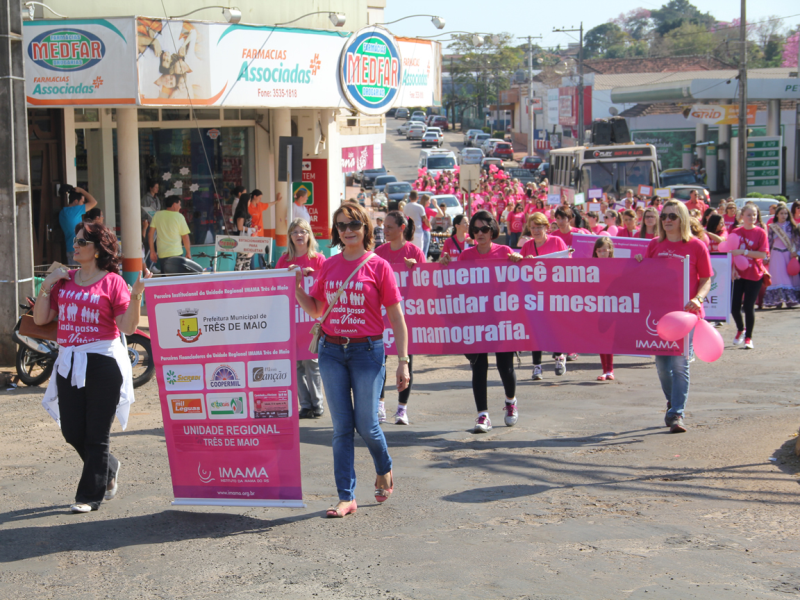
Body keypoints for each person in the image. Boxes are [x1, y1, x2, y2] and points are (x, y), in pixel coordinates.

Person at [294, 203, 409, 518]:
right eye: (342, 225)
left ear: (365, 228)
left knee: (368, 425)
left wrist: (403, 361)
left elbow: (397, 318)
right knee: (342, 428)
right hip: (331, 351)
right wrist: (297, 289)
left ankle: (384, 466)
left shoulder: (379, 266)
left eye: (354, 224)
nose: (348, 230)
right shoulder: (329, 265)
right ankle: (346, 497)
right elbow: (317, 309)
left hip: (367, 352)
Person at [34, 221, 144, 513]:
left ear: (98, 249)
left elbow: (127, 327)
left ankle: (89, 496)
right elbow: (41, 319)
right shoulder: (65, 279)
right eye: (75, 240)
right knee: (72, 431)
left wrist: (136, 295)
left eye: (82, 242)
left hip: (102, 363)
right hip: (69, 361)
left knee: (97, 434)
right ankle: (109, 466)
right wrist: (47, 284)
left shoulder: (112, 282)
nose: (75, 245)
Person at [635, 200, 712, 433]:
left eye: (673, 216)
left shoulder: (697, 246)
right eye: (664, 216)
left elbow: (706, 279)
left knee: (680, 365)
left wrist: (698, 298)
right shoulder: (654, 245)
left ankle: (677, 413)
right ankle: (673, 403)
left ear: (683, 219)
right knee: (662, 366)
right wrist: (638, 265)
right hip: (659, 315)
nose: (667, 220)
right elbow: (646, 276)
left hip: (686, 315)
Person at [456, 210, 523, 433]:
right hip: (475, 319)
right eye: (475, 229)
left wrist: (520, 262)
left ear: (492, 229)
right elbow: (454, 284)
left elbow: (523, 279)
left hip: (501, 318)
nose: (480, 233)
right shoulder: (465, 256)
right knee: (479, 366)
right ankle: (482, 415)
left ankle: (511, 401)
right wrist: (445, 265)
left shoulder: (505, 252)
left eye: (484, 229)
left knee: (505, 367)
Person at [374, 211, 425, 425]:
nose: (384, 230)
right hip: (382, 314)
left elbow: (426, 284)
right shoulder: (379, 252)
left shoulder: (415, 252)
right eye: (384, 226)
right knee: (380, 361)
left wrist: (416, 269)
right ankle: (380, 405)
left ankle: (402, 409)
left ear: (402, 228)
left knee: (405, 360)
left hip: (406, 315)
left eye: (389, 227)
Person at [276, 219, 326, 419]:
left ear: (309, 235)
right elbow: (276, 285)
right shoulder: (284, 260)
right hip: (291, 318)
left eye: (303, 231)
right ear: (290, 236)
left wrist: (311, 275)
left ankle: (317, 403)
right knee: (296, 364)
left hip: (311, 320)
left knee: (312, 362)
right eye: (295, 231)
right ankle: (305, 405)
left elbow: (325, 285)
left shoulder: (319, 259)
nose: (299, 235)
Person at [520, 212, 570, 379]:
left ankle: (559, 356)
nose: (535, 231)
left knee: (555, 326)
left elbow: (568, 263)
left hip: (555, 291)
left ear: (546, 227)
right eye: (532, 227)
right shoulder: (527, 246)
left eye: (539, 227)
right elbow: (519, 268)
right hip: (534, 293)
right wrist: (525, 261)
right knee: (536, 329)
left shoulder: (557, 242)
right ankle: (537, 366)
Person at [729, 203, 769, 348]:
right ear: (742, 216)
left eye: (754, 215)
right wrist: (732, 268)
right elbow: (730, 251)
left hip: (754, 274)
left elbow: (763, 254)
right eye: (749, 215)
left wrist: (744, 252)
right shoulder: (735, 232)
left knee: (748, 306)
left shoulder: (761, 232)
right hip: (738, 275)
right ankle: (741, 329)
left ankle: (748, 338)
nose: (752, 217)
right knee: (734, 306)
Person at [763, 204, 800, 308]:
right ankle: (777, 300)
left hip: (788, 254)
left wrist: (796, 252)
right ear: (777, 215)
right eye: (781, 213)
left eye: (785, 213)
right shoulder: (773, 227)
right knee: (777, 277)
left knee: (789, 277)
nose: (784, 215)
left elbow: (797, 241)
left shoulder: (792, 226)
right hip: (776, 253)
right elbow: (769, 242)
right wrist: (766, 256)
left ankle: (790, 300)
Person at [591, 237, 617, 381]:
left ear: (610, 250)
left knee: (609, 339)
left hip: (612, 306)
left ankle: (610, 370)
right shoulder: (590, 266)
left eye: (604, 250)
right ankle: (604, 370)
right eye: (599, 251)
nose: (602, 253)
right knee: (601, 339)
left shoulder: (616, 265)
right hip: (596, 305)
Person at [148, 196, 192, 273]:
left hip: (162, 253)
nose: (180, 207)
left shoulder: (157, 215)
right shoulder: (179, 216)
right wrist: (188, 252)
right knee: (176, 278)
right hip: (176, 253)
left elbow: (150, 234)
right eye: (179, 204)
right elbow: (185, 236)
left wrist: (152, 251)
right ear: (174, 204)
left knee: (165, 278)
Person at [59, 186, 98, 265]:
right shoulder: (75, 210)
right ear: (76, 201)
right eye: (82, 202)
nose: (83, 204)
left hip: (70, 248)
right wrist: (82, 190)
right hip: (79, 248)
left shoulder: (62, 212)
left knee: (74, 272)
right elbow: (94, 202)